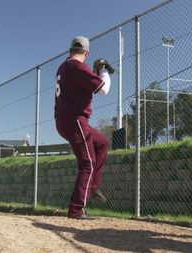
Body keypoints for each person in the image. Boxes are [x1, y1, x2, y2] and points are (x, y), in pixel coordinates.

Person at [55, 36, 114, 220]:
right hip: (75, 120)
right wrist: (103, 70)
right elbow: (104, 90)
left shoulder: (64, 66)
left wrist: (94, 74)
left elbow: (82, 85)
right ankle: (76, 210)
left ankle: (94, 186)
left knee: (102, 143)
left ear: (70, 49)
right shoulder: (77, 66)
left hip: (66, 120)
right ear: (86, 53)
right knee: (87, 163)